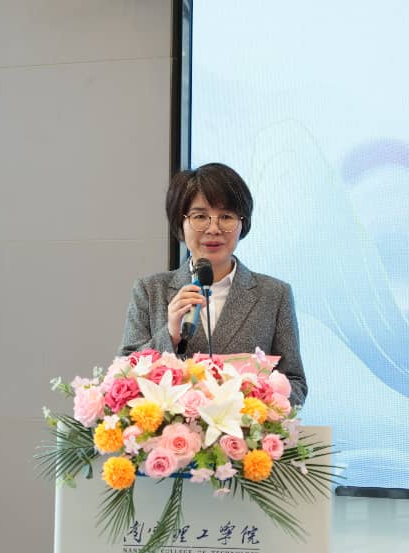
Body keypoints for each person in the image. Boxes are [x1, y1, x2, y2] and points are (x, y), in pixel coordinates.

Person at [119, 162, 307, 406]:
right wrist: (171, 335)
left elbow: (295, 384)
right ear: (180, 223)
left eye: (226, 217)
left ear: (243, 223)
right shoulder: (150, 290)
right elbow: (122, 379)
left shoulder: (274, 294)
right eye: (200, 217)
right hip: (172, 430)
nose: (214, 228)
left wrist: (254, 400)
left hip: (244, 429)